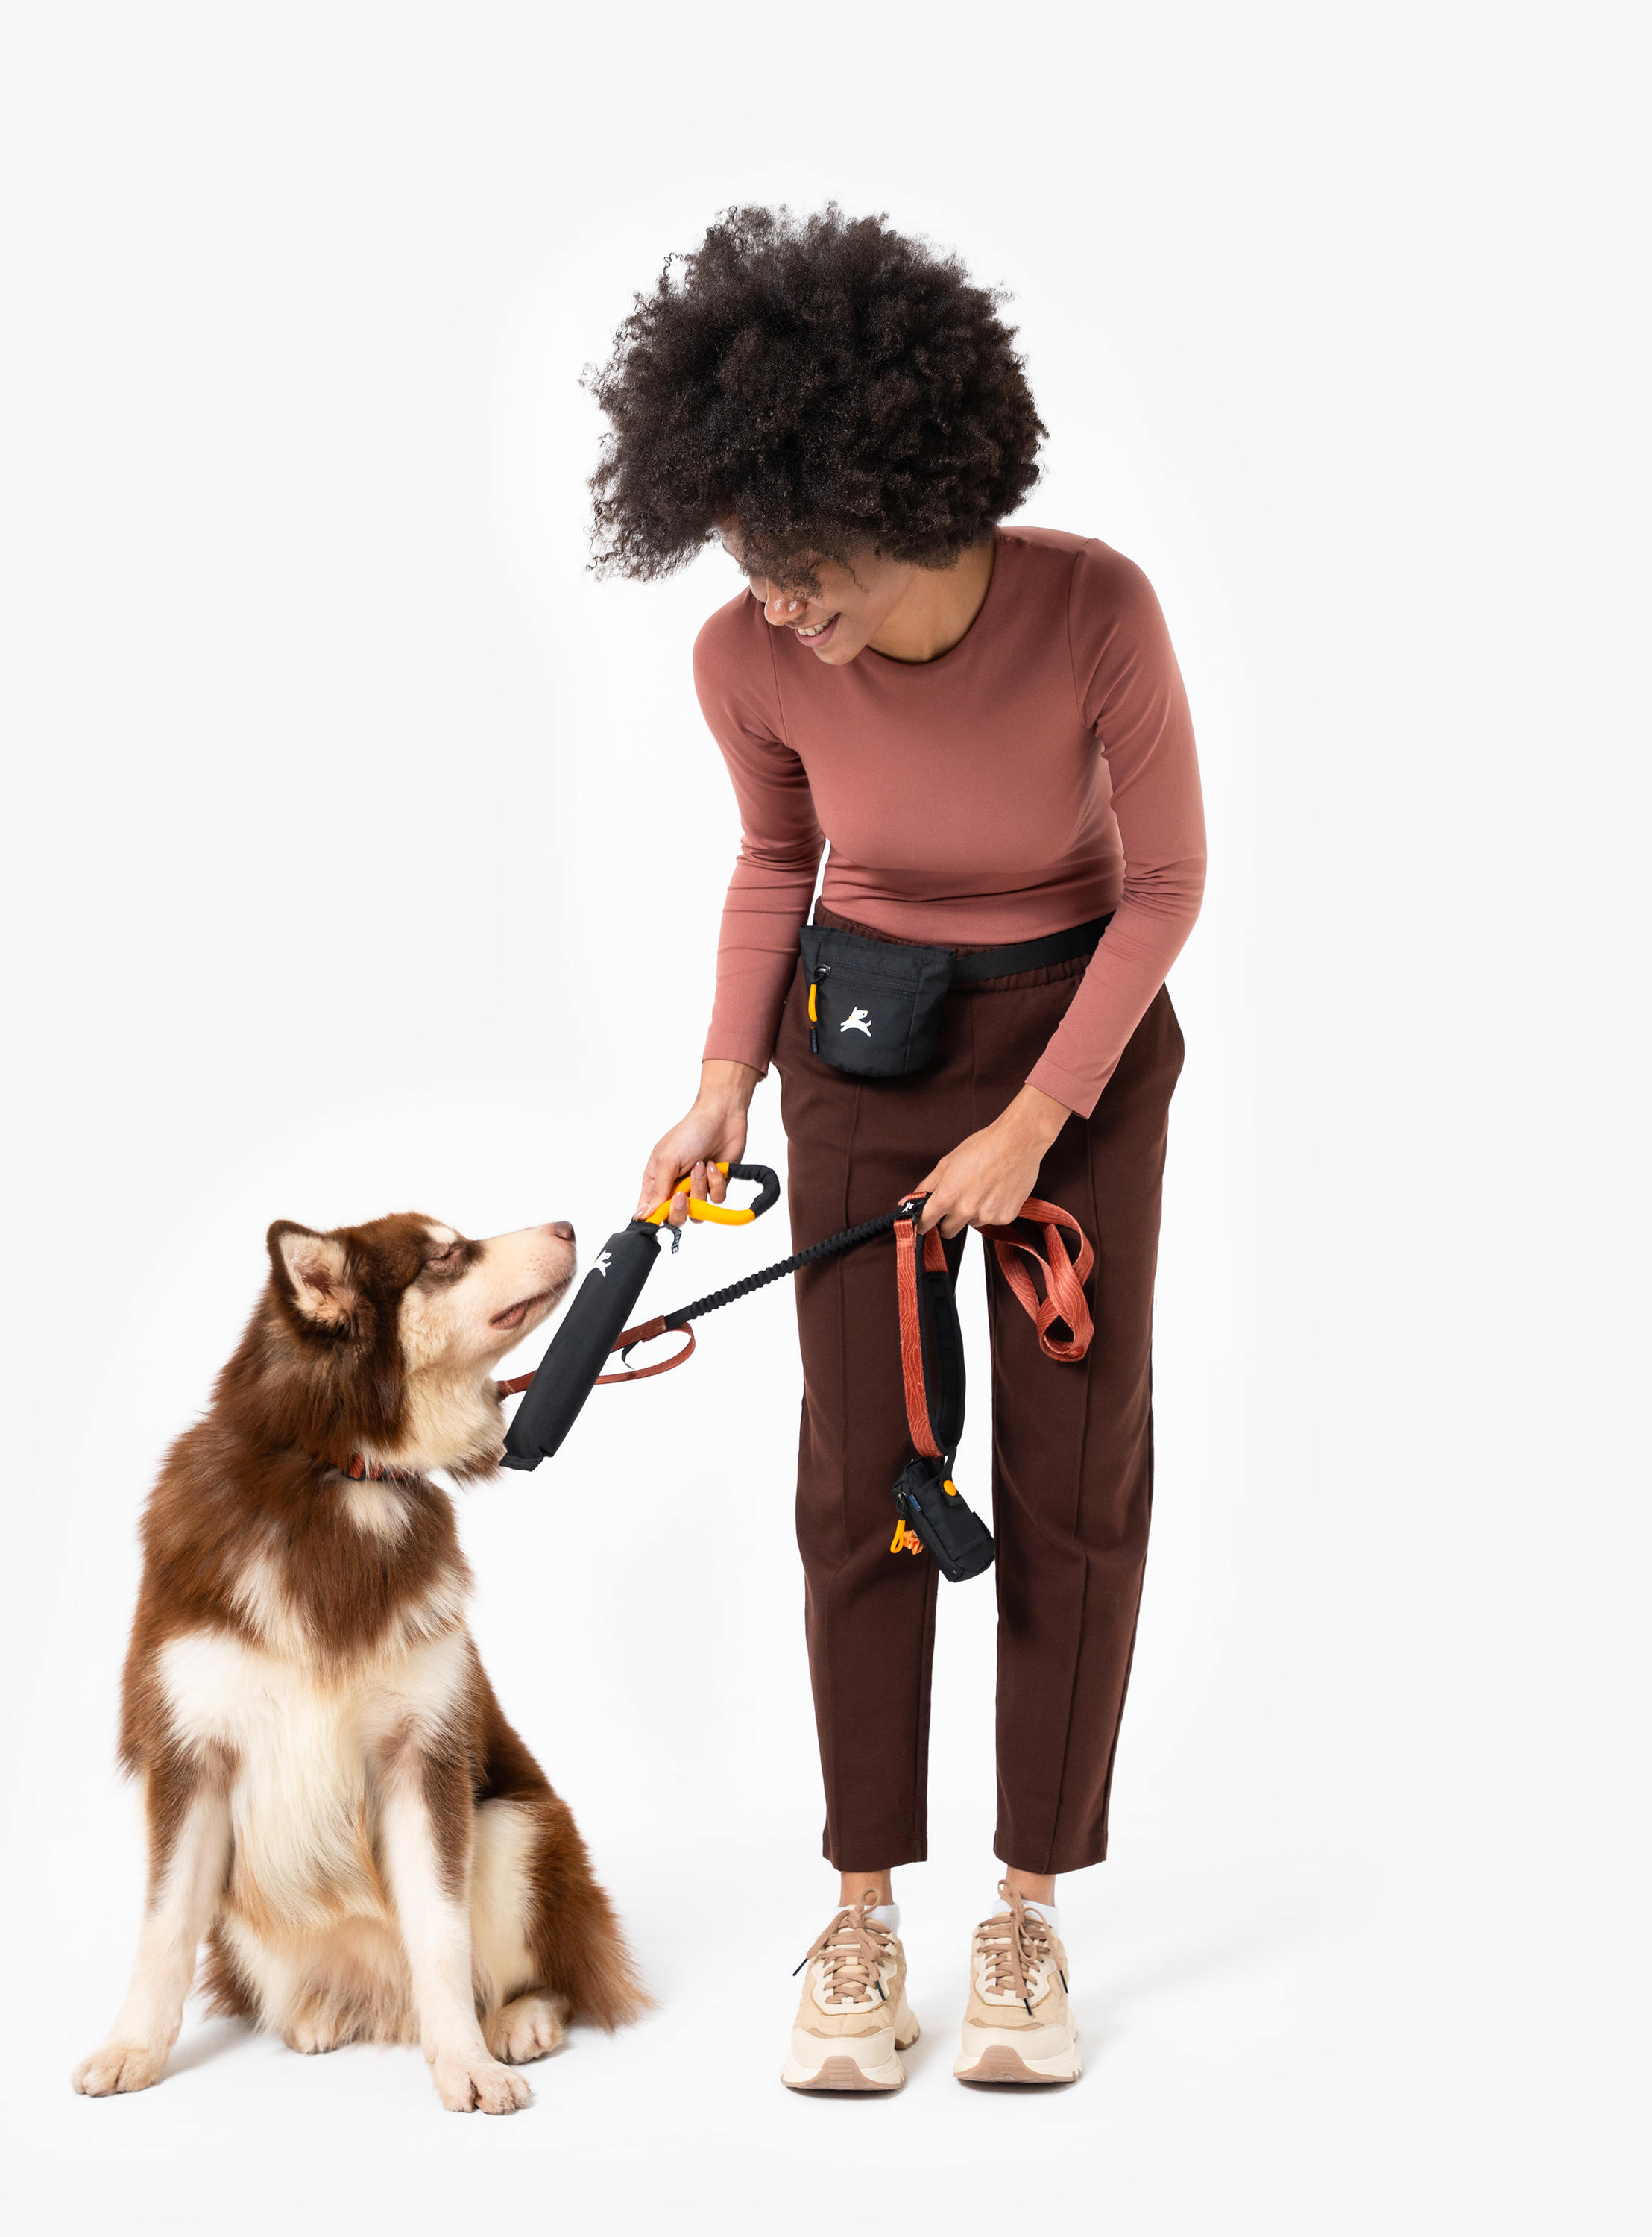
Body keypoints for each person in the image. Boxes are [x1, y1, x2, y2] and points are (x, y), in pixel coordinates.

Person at [587, 205, 1206, 2092]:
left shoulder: (1096, 608)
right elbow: (781, 860)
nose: (777, 602)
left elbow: (1167, 885)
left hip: (1074, 1046)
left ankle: (1026, 1911)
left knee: (1074, 1478)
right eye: (748, 559)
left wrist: (1038, 1121)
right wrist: (722, 1078)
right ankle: (861, 1919)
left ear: (913, 483)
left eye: (805, 557)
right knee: (862, 1469)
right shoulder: (742, 659)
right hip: (857, 1040)